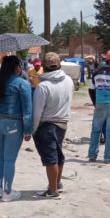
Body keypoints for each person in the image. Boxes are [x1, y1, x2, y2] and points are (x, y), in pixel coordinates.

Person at [0, 55, 32, 202]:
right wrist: (28, 130)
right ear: (16, 67)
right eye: (20, 65)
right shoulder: (22, 83)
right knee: (9, 159)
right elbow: (27, 111)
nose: (22, 68)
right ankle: (8, 191)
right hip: (13, 124)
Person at [31, 52, 73, 199]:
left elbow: (37, 113)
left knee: (50, 159)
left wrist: (32, 129)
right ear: (59, 65)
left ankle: (52, 190)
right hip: (62, 123)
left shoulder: (43, 87)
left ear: (43, 66)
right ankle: (57, 184)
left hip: (46, 125)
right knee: (58, 155)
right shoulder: (68, 80)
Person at [87, 51, 110, 163]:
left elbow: (91, 89)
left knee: (96, 130)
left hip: (99, 103)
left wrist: (95, 102)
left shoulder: (96, 72)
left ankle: (92, 155)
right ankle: (108, 157)